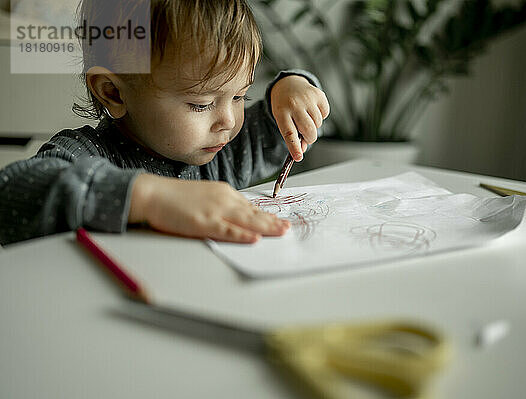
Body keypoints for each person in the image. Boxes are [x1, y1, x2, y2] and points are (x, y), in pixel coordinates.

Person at [0, 0, 330, 246]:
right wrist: (150, 198)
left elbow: (281, 126)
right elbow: (11, 194)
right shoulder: (87, 154)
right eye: (201, 104)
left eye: (239, 96)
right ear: (113, 93)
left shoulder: (222, 153)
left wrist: (294, 87)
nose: (228, 121)